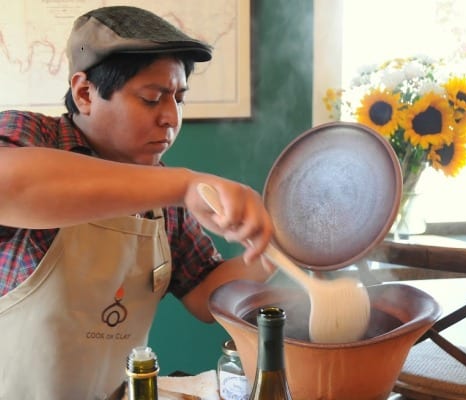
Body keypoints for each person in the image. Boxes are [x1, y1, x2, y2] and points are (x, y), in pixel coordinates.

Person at [0, 6, 274, 400]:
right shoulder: (29, 138)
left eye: (179, 98)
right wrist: (182, 184)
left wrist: (271, 249)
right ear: (84, 93)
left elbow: (205, 295)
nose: (171, 118)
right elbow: (11, 187)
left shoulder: (165, 196)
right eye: (152, 98)